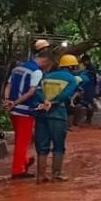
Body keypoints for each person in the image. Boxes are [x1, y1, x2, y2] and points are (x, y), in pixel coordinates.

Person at [1, 39, 52, 180]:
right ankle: (18, 170)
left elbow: (8, 85)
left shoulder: (18, 68)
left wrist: (8, 101)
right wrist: (15, 103)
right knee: (23, 141)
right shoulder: (36, 72)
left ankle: (24, 161)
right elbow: (31, 92)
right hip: (25, 111)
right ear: (45, 60)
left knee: (21, 139)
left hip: (14, 110)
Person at [31, 54, 81, 183]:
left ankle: (40, 176)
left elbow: (37, 91)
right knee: (58, 145)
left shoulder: (46, 76)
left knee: (42, 146)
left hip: (42, 113)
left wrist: (45, 101)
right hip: (57, 114)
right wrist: (53, 102)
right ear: (72, 66)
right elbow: (66, 95)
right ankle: (56, 174)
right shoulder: (72, 79)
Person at [78, 55, 98, 125]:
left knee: (89, 103)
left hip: (89, 87)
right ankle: (87, 119)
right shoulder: (87, 67)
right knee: (86, 102)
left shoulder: (91, 68)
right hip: (88, 87)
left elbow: (93, 79)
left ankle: (88, 119)